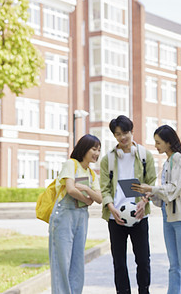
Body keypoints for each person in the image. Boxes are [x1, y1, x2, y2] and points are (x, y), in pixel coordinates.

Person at [132, 125, 181, 294]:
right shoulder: (169, 161)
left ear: (169, 142)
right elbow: (164, 196)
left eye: (158, 142)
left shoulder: (179, 159)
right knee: (173, 265)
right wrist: (148, 193)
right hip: (168, 215)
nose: (156, 146)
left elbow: (174, 189)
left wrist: (151, 189)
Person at [99, 115, 156, 294]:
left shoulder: (145, 155)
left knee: (143, 260)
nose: (122, 137)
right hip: (116, 217)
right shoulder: (107, 159)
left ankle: (144, 290)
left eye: (125, 133)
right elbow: (105, 188)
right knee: (119, 262)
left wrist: (144, 202)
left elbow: (152, 182)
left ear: (132, 131)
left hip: (140, 215)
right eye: (117, 134)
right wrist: (111, 208)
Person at [49, 134, 103, 294]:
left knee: (77, 262)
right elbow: (71, 189)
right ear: (84, 148)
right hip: (64, 215)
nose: (97, 153)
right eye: (94, 149)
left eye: (99, 150)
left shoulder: (92, 174)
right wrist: (87, 199)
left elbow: (99, 198)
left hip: (81, 217)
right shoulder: (71, 165)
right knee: (61, 262)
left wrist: (86, 190)